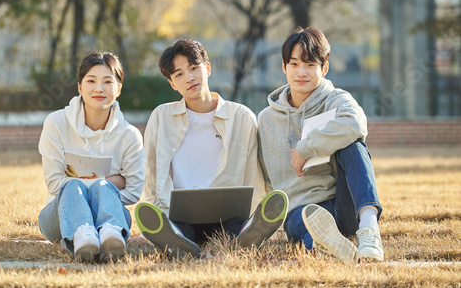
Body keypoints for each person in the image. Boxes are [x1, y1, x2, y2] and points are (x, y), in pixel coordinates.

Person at [135, 39, 288, 258]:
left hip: (230, 216)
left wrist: (254, 213)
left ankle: (248, 234)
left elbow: (254, 173)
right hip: (181, 215)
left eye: (194, 68)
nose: (189, 78)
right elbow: (150, 171)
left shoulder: (242, 117)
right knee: (178, 230)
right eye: (179, 74)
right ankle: (175, 241)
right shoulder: (161, 117)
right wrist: (154, 211)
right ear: (172, 83)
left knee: (237, 228)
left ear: (207, 68)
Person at [257, 27, 384, 262]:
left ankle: (369, 229)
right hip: (300, 208)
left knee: (353, 145)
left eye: (310, 65)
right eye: (294, 64)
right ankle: (325, 246)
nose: (301, 72)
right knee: (304, 222)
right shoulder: (266, 118)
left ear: (324, 68)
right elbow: (264, 176)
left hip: (344, 205)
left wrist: (306, 148)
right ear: (284, 67)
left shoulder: (336, 99)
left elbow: (355, 124)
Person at [38, 52, 145, 262]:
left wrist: (100, 189)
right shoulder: (56, 123)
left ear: (119, 88)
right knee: (74, 187)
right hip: (61, 214)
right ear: (79, 87)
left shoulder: (129, 135)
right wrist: (113, 181)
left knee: (102, 188)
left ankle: (110, 234)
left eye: (108, 81)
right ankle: (82, 235)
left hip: (110, 214)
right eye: (91, 81)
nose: (99, 88)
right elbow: (54, 184)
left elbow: (133, 191)